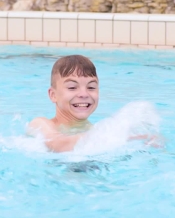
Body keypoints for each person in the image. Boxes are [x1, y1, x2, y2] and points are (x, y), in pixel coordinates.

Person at [27, 55, 161, 152]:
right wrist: (114, 137)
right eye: (72, 87)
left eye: (91, 87)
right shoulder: (41, 124)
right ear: (53, 95)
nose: (84, 94)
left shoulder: (95, 130)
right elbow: (57, 144)